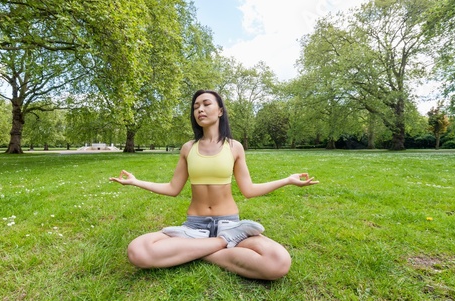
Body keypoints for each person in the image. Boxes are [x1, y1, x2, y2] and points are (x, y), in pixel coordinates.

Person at [109, 89, 318, 280]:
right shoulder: (188, 148)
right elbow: (173, 189)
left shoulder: (234, 147)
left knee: (278, 262)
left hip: (229, 224)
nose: (200, 109)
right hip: (194, 227)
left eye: (206, 104)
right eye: (195, 106)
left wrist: (287, 181)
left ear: (220, 111)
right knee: (138, 251)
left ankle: (190, 253)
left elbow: (249, 190)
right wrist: (136, 182)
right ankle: (220, 244)